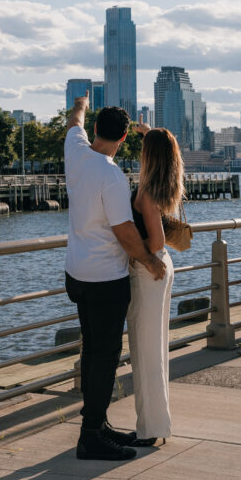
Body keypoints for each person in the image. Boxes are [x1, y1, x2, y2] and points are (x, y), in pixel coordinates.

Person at [64, 93, 166, 461]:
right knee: (105, 356)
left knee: (92, 349)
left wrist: (81, 102)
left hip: (76, 274)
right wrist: (150, 262)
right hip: (106, 278)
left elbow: (73, 121)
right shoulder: (111, 175)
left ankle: (97, 423)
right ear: (124, 139)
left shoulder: (75, 151)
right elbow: (124, 231)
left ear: (95, 130)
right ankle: (91, 435)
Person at [126, 125, 182, 445]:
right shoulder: (164, 185)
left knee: (146, 353)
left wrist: (132, 251)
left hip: (150, 270)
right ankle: (157, 425)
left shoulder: (146, 193)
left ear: (149, 157)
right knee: (156, 350)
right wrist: (148, 133)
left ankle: (149, 430)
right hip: (163, 267)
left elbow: (156, 238)